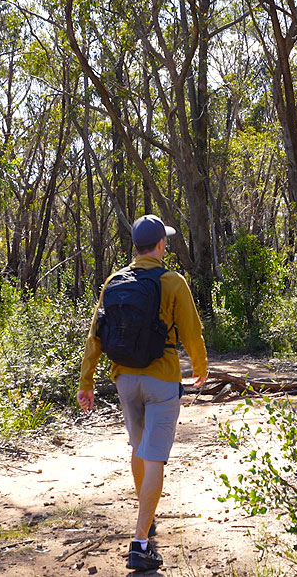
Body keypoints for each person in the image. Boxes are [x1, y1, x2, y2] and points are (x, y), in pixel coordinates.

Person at [77, 214, 208, 571]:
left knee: (139, 448)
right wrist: (200, 366)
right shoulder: (172, 281)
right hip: (161, 379)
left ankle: (146, 518)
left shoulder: (114, 281)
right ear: (161, 245)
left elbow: (96, 335)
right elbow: (191, 332)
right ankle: (140, 544)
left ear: (137, 246)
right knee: (155, 457)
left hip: (124, 379)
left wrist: (86, 382)